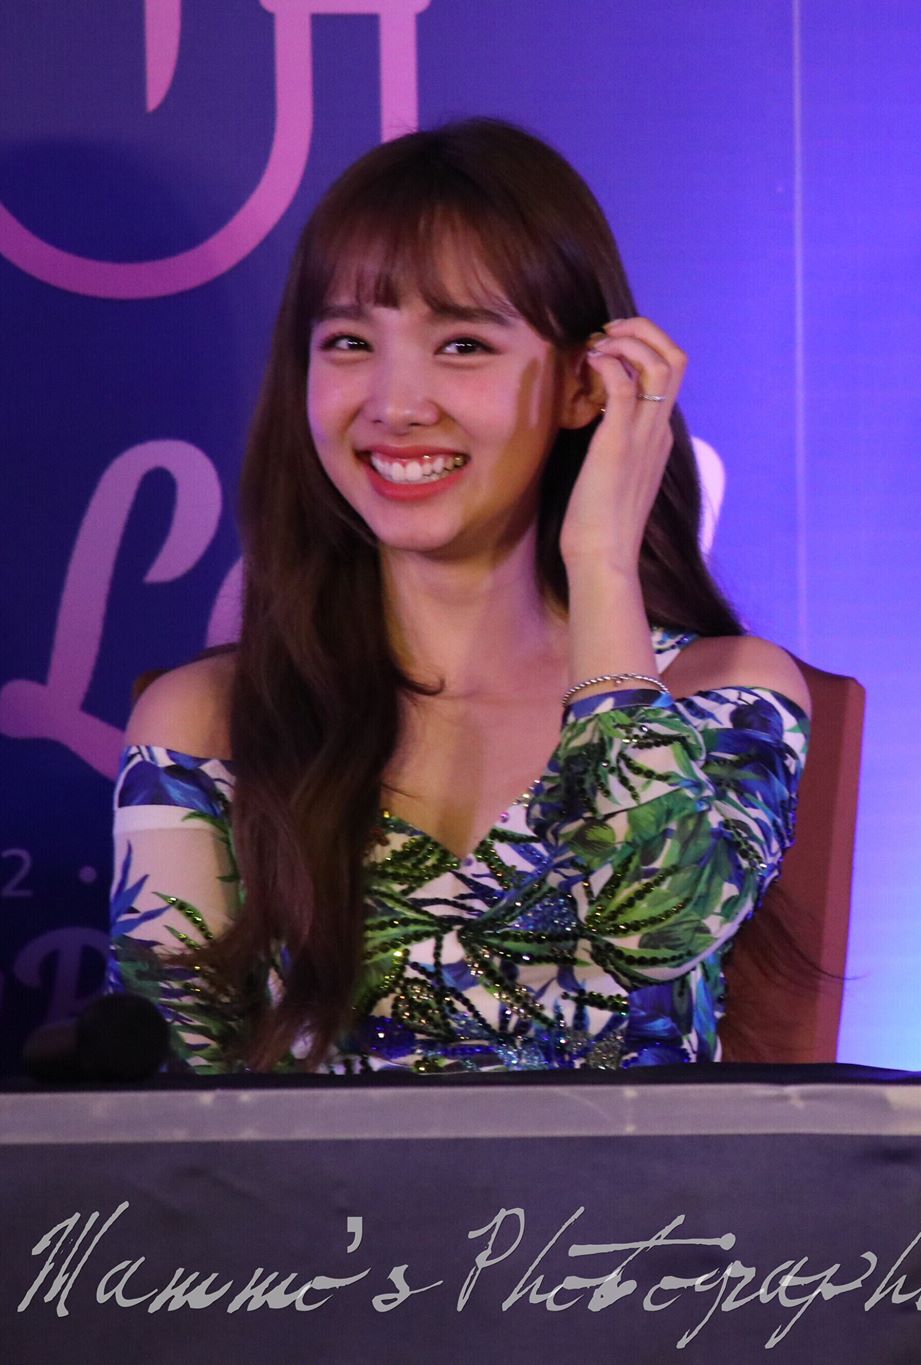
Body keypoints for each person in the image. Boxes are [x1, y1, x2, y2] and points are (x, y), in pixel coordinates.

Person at [110, 120, 810, 1073]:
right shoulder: (207, 721)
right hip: (308, 1183)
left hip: (632, 1182)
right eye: (349, 341)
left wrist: (601, 560)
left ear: (586, 387)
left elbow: (657, 928)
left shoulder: (722, 692)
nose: (396, 404)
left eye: (464, 344)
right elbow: (168, 1106)